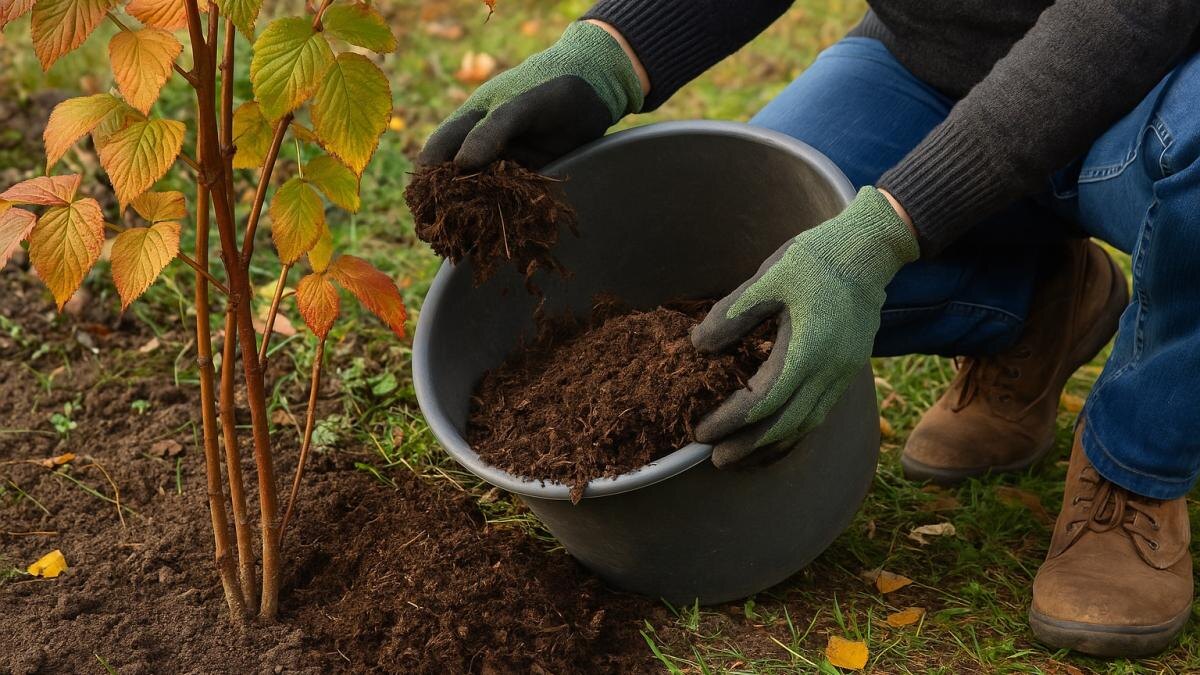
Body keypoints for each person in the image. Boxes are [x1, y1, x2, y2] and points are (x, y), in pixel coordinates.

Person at [419, 1, 1200, 658]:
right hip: (934, 64)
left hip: (1159, 88)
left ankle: (1134, 469)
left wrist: (881, 233)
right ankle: (1036, 308)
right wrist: (611, 52)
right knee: (754, 232)